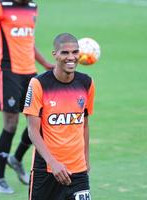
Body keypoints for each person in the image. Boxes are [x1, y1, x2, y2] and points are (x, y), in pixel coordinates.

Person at [0, 0, 54, 194]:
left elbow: (29, 43)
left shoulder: (33, 7)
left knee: (38, 120)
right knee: (11, 124)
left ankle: (16, 159)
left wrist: (45, 64)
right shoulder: (0, 6)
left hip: (30, 72)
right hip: (8, 71)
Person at [23, 33, 95, 200]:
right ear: (55, 54)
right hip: (46, 171)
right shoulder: (39, 84)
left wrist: (86, 159)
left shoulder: (86, 83)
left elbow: (84, 124)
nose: (71, 57)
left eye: (75, 52)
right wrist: (53, 163)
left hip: (78, 171)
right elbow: (32, 131)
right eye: (65, 53)